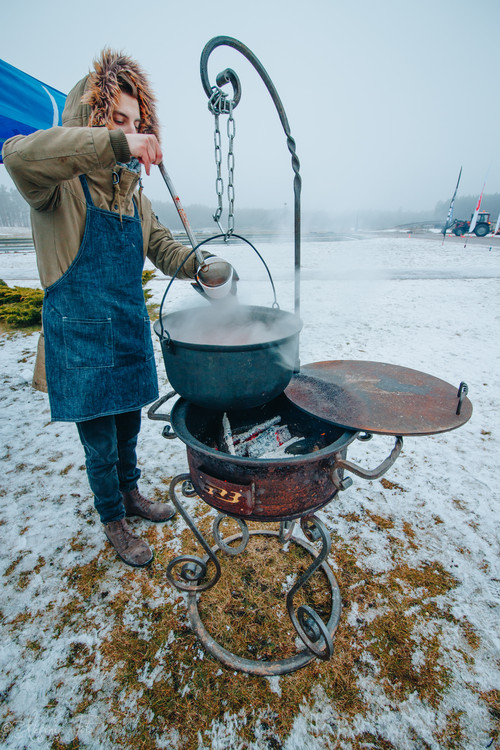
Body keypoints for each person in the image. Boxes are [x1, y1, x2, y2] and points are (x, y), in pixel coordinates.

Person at [2, 49, 204, 568]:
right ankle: (112, 516)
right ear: (91, 119)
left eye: (137, 123)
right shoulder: (55, 186)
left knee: (129, 427)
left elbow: (161, 247)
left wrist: (202, 268)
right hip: (81, 334)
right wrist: (117, 142)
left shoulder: (133, 193)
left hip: (127, 325)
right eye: (117, 119)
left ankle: (131, 493)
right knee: (99, 442)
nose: (130, 131)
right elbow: (20, 155)